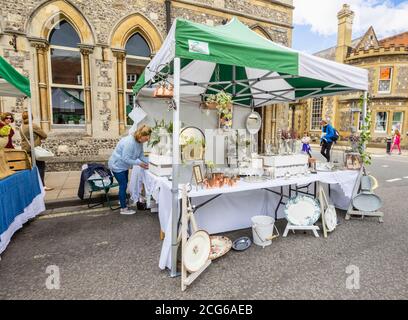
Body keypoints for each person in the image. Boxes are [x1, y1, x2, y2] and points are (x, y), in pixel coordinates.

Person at [108, 124, 151, 215]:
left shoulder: (139, 142)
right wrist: (140, 163)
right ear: (141, 136)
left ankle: (122, 200)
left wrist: (151, 162)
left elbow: (141, 156)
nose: (147, 140)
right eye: (146, 138)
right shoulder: (130, 142)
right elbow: (125, 158)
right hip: (117, 165)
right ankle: (123, 209)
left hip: (124, 166)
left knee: (124, 183)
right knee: (123, 185)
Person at [20, 111, 53, 191]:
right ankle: (42, 185)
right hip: (34, 149)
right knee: (40, 166)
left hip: (26, 149)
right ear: (31, 117)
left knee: (30, 167)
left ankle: (33, 185)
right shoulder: (33, 126)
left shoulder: (21, 126)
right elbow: (44, 135)